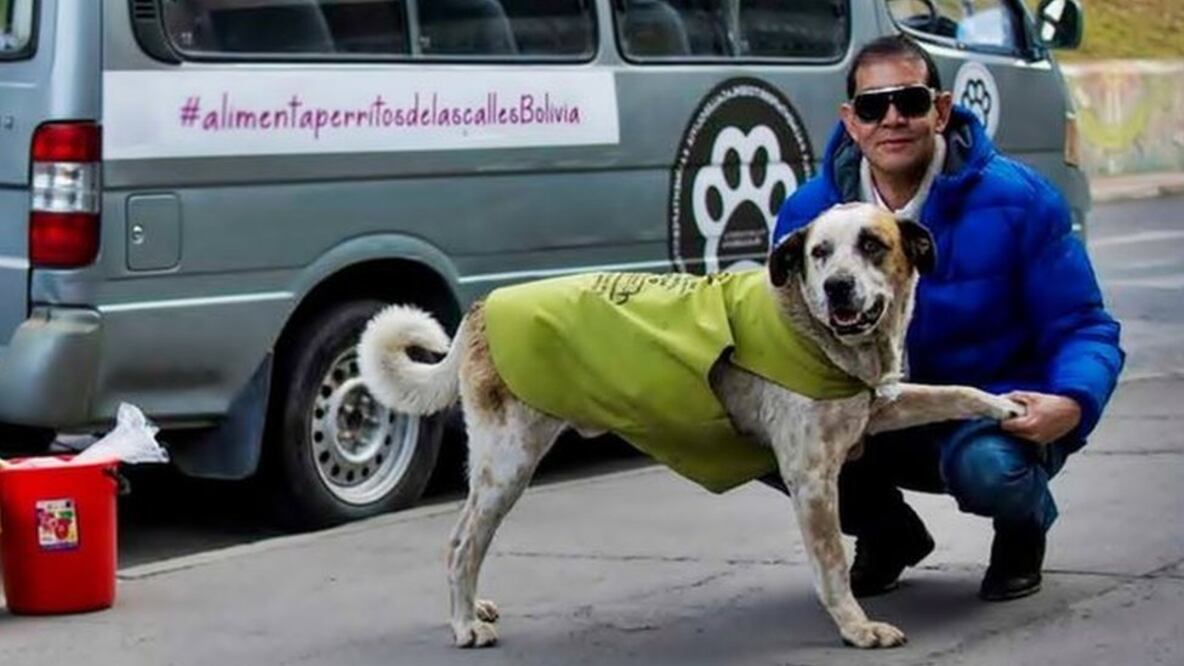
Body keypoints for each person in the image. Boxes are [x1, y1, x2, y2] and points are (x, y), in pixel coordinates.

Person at [770, 35, 1123, 601]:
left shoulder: (1022, 200)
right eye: (871, 106)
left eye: (909, 101)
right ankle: (888, 534)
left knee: (987, 468)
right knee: (762, 437)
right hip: (874, 413)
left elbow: (1083, 325)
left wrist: (1073, 401)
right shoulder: (809, 213)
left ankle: (1023, 527)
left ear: (940, 109)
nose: (891, 119)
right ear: (851, 121)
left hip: (988, 416)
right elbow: (782, 331)